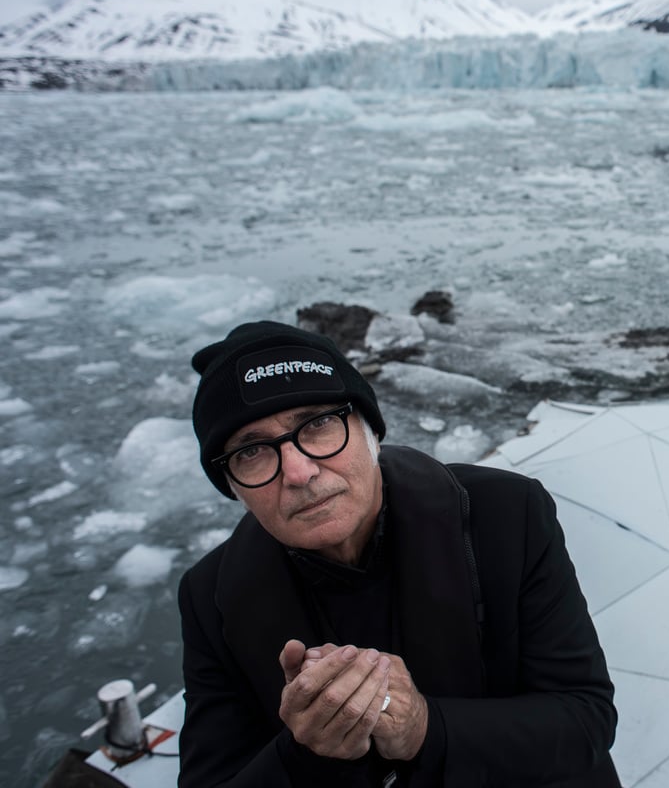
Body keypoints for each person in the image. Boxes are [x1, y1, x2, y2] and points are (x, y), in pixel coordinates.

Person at [177, 320, 619, 787]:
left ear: (370, 429)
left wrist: (427, 730)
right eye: (252, 453)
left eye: (319, 424)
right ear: (233, 488)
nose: (299, 471)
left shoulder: (507, 516)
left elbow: (585, 719)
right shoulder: (211, 597)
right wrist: (307, 752)